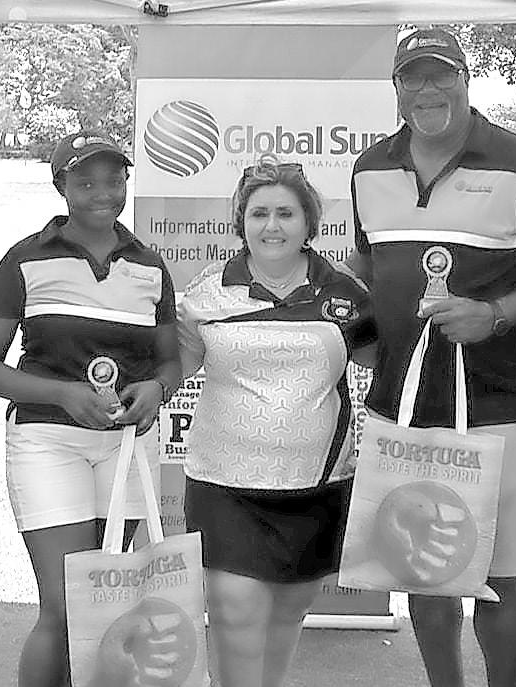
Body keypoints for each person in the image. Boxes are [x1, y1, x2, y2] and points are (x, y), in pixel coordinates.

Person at [348, 28, 516, 687]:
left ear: (465, 79)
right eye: (413, 77)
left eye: (441, 74)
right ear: (396, 89)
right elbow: (366, 263)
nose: (428, 90)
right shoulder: (369, 168)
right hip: (401, 407)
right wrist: (365, 330)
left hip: (495, 402)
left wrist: (496, 313)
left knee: (500, 579)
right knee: (425, 575)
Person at [0, 131, 181, 687]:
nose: (102, 193)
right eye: (85, 182)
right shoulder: (26, 259)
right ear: (61, 185)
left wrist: (158, 389)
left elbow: (169, 363)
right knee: (64, 605)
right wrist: (63, 395)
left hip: (126, 447)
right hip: (48, 443)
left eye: (114, 180)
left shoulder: (150, 266)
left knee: (103, 605)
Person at [176, 160, 375, 687]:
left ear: (309, 223)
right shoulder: (207, 293)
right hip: (224, 484)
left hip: (315, 485)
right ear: (241, 222)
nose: (272, 226)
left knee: (288, 611)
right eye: (259, 213)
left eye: (286, 214)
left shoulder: (345, 293)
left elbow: (387, 363)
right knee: (235, 608)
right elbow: (173, 370)